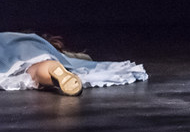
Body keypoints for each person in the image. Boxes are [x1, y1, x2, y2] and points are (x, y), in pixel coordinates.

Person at [0, 32, 148, 95]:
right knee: (36, 69)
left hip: (10, 54)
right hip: (31, 51)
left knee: (35, 71)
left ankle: (57, 73)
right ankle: (56, 70)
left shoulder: (18, 39)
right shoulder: (30, 41)